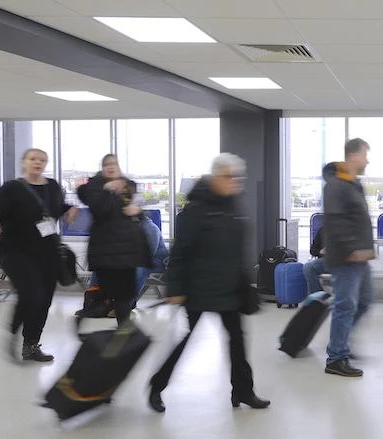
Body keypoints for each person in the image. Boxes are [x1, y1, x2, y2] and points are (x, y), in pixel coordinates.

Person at [148, 153, 269, 413]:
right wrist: (176, 289)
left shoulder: (233, 205)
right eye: (229, 177)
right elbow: (180, 252)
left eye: (237, 177)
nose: (234, 182)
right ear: (215, 177)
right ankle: (156, 387)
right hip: (198, 290)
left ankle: (243, 391)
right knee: (184, 341)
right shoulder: (196, 209)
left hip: (229, 289)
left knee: (237, 342)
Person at [0, 148, 78, 362]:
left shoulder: (53, 187)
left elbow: (55, 209)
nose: (37, 163)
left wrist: (69, 210)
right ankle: (12, 334)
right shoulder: (11, 188)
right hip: (15, 250)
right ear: (24, 162)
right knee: (31, 293)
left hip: (46, 251)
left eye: (42, 160)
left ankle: (30, 345)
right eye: (33, 159)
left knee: (44, 300)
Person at [322, 138, 375, 378]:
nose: (367, 160)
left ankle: (338, 343)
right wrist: (353, 248)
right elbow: (335, 222)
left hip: (360, 258)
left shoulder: (354, 184)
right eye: (365, 155)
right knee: (345, 305)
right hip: (346, 257)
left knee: (363, 301)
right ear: (353, 156)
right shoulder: (336, 184)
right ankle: (336, 358)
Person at [77, 154, 149, 325]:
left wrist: (137, 212)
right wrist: (107, 189)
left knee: (125, 296)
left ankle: (122, 333)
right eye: (107, 164)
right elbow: (100, 210)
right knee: (112, 293)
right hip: (106, 251)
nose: (111, 167)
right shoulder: (93, 188)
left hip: (127, 251)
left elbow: (139, 216)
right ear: (102, 168)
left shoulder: (128, 186)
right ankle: (103, 321)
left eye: (114, 164)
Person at [303, 227, 327, 294]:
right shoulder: (323, 230)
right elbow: (313, 250)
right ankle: (318, 297)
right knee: (308, 267)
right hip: (326, 262)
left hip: (344, 261)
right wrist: (321, 251)